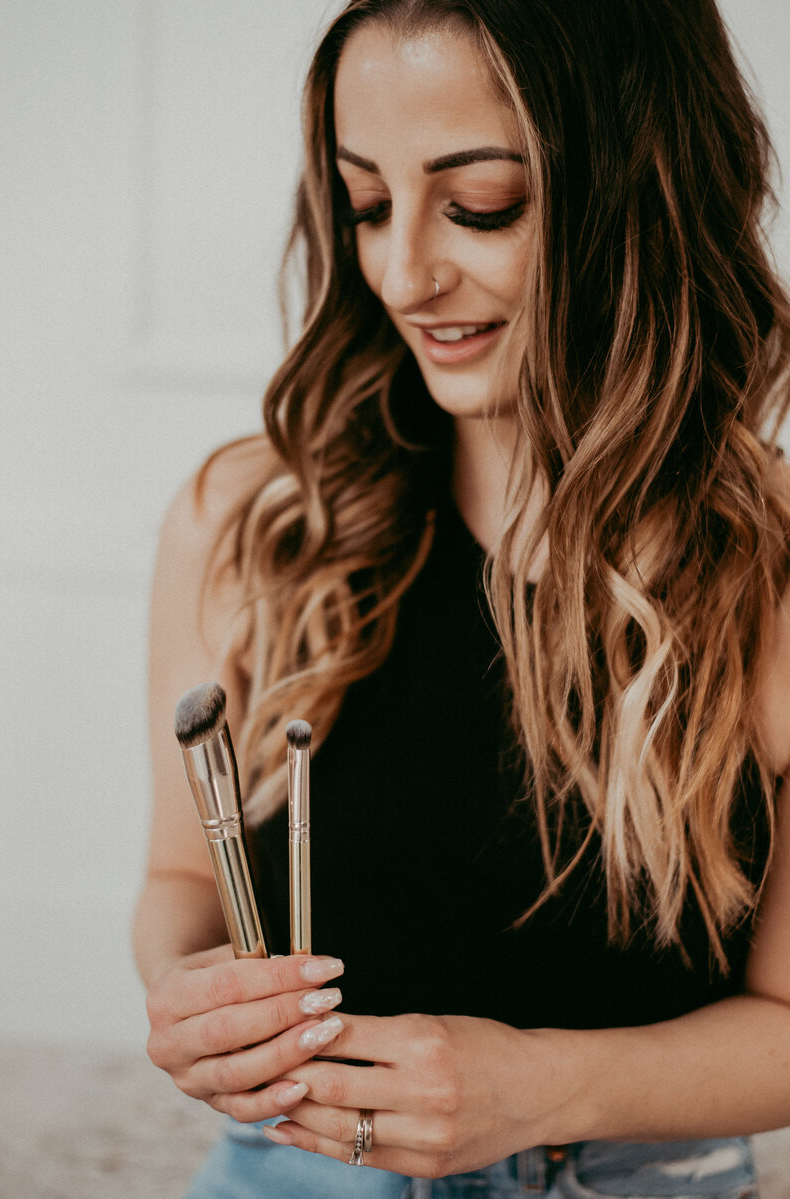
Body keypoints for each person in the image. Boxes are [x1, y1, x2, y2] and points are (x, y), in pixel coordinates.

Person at [132, 1, 790, 1195]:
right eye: (366, 203)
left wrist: (541, 1085)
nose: (401, 272)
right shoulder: (248, 521)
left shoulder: (769, 573)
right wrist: (190, 994)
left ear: (638, 185)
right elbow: (180, 882)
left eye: (480, 203)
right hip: (291, 1168)